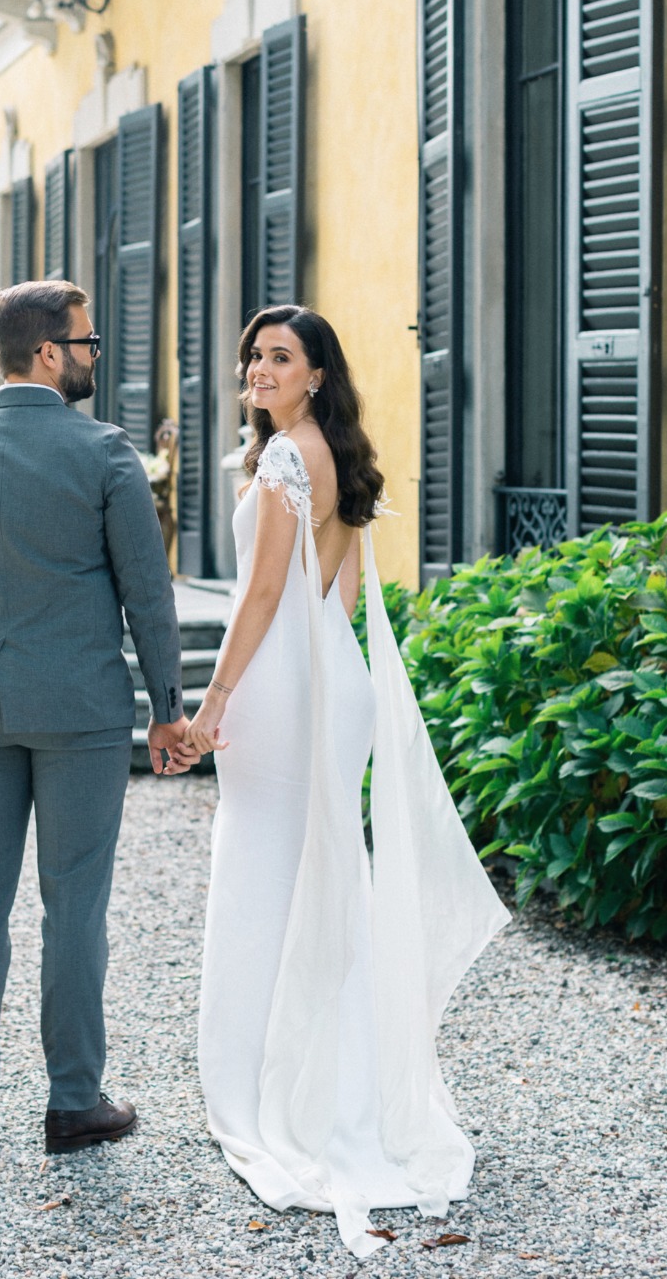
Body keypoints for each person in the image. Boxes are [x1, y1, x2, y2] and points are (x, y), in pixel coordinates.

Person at [182, 304, 509, 1259]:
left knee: (269, 876)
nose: (259, 367)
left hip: (287, 688)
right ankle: (343, 1084)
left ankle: (275, 1087)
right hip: (330, 677)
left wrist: (214, 703)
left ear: (317, 373)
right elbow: (342, 594)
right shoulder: (324, 453)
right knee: (316, 877)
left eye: (280, 356)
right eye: (253, 354)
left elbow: (264, 593)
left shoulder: (288, 459)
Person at [0, 279, 190, 1156]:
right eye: (88, 343)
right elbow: (149, 595)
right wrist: (168, 709)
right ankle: (72, 1103)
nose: (94, 355)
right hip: (81, 709)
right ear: (47, 354)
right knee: (75, 905)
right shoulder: (105, 453)